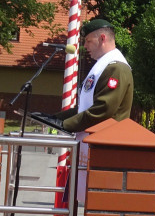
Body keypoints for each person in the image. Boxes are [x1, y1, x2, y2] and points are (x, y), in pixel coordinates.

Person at [44, 18, 134, 205]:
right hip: (91, 148)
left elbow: (103, 110)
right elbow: (85, 108)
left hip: (105, 150)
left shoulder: (116, 67)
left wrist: (64, 125)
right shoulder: (103, 65)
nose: (85, 46)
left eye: (88, 41)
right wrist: (53, 118)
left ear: (102, 38)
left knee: (99, 207)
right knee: (88, 210)